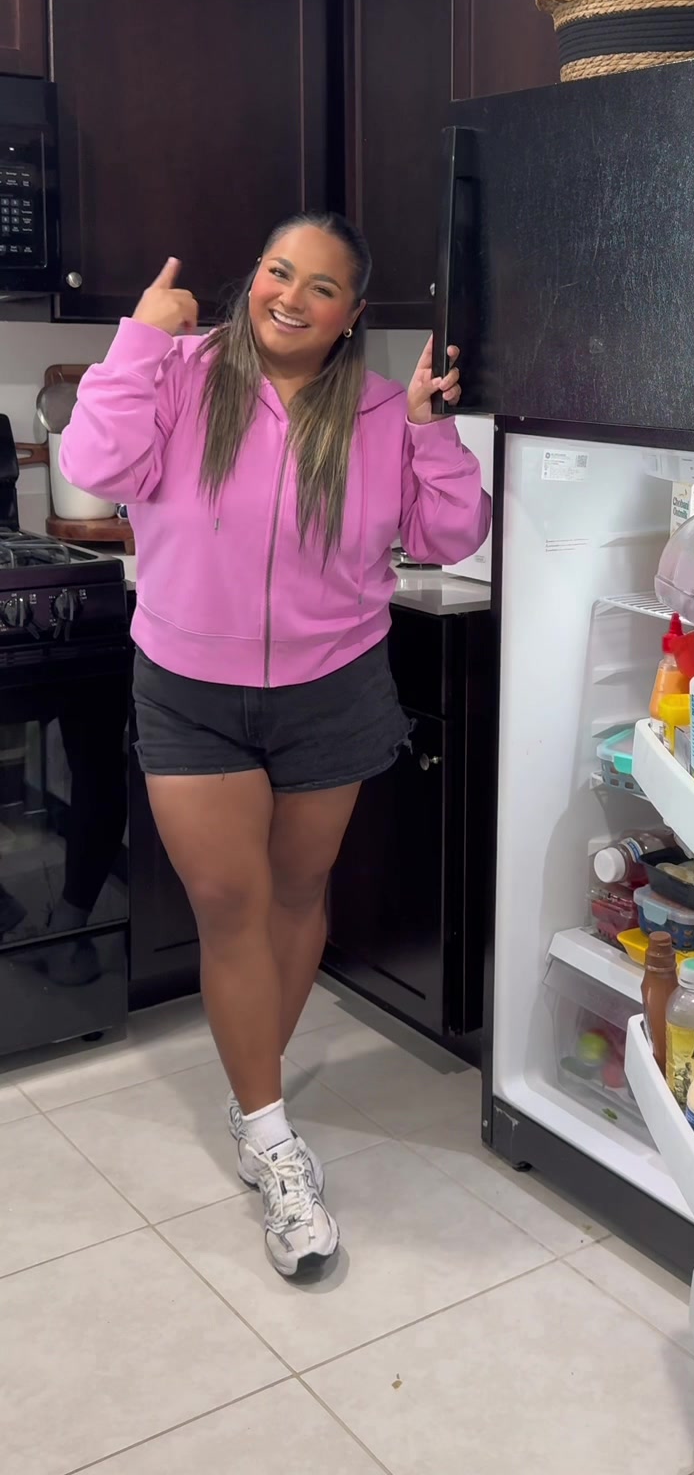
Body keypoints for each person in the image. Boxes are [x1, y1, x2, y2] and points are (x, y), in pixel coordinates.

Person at [61, 214, 490, 1278]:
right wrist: (138, 337)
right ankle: (271, 1134)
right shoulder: (180, 374)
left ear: (352, 315)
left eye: (322, 287)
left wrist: (433, 432)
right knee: (228, 903)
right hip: (189, 686)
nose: (291, 297)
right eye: (277, 272)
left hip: (333, 690)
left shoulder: (380, 411)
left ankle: (256, 1097)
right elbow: (93, 462)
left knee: (298, 896)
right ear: (252, 278)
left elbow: (449, 535)